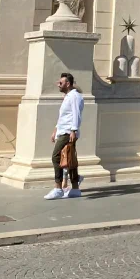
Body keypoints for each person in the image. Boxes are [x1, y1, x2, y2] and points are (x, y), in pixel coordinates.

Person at [44, 72, 84, 200]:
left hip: (68, 132)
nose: (58, 85)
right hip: (63, 130)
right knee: (70, 158)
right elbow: (64, 116)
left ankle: (58, 188)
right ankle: (75, 188)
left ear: (67, 83)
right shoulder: (68, 96)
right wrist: (56, 129)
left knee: (56, 157)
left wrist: (74, 130)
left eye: (60, 83)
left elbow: (76, 114)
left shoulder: (74, 96)